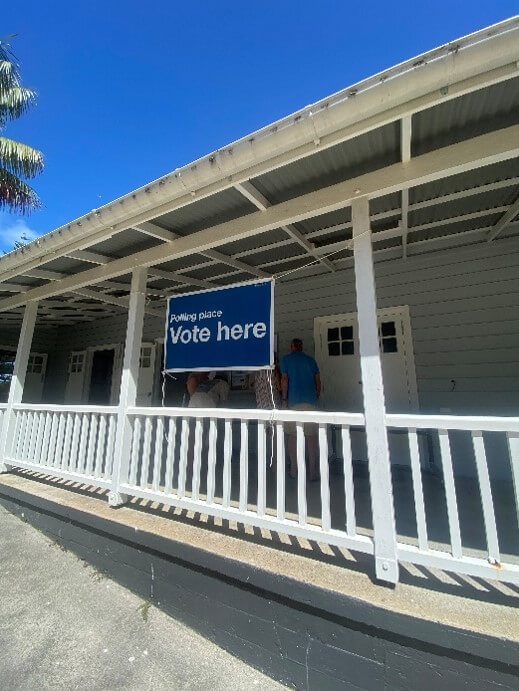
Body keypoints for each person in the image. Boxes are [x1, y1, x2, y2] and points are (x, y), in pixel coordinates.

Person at [280, 338, 321, 480]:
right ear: (302, 347)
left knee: (292, 436)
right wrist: (316, 396)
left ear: (292, 347)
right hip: (311, 403)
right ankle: (313, 472)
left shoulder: (286, 360)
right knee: (311, 438)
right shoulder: (311, 360)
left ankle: (293, 470)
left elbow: (284, 380)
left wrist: (284, 399)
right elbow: (318, 381)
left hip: (293, 403)